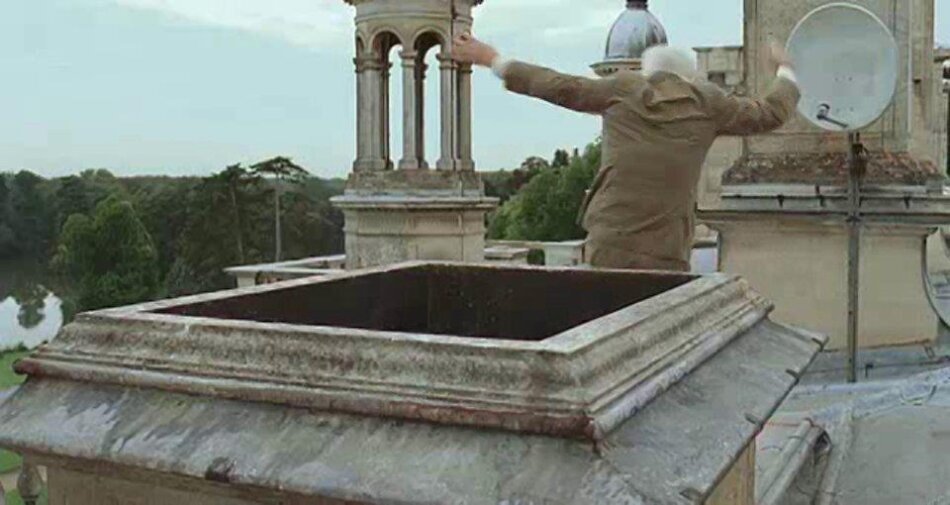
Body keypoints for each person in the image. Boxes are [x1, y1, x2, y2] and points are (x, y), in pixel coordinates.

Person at [452, 33, 800, 272]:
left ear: (648, 73)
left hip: (610, 242)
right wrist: (786, 70)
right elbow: (770, 113)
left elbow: (559, 86)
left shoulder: (624, 88)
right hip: (667, 249)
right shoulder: (709, 102)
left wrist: (492, 58)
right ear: (688, 78)